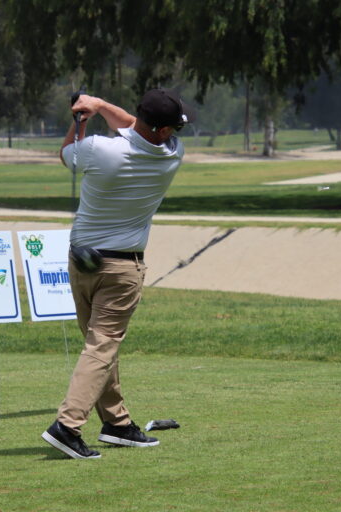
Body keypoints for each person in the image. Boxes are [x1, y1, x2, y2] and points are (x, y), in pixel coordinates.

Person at [42, 88, 195, 459]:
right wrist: (101, 106)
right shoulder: (172, 155)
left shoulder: (97, 149)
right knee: (101, 347)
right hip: (122, 268)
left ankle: (117, 423)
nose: (175, 133)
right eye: (172, 126)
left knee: (99, 347)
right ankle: (68, 425)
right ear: (161, 131)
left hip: (81, 263)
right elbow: (134, 127)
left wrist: (86, 112)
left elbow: (67, 155)